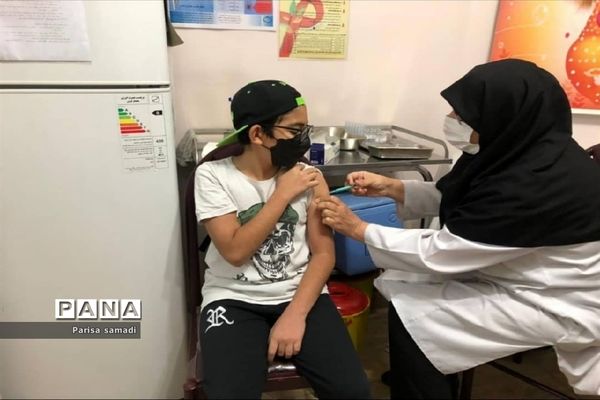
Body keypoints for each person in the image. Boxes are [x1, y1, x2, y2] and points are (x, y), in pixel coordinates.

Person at [316, 59, 600, 398]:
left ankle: (423, 382)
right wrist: (392, 187)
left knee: (415, 319)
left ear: (502, 116)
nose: (452, 120)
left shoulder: (536, 184)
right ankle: (422, 372)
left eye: (463, 116)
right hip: (515, 269)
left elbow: (443, 252)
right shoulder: (518, 151)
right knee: (405, 283)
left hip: (555, 298)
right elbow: (460, 197)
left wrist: (358, 228)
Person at [194, 80, 370, 399]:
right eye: (294, 130)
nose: (304, 139)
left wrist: (295, 314)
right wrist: (282, 194)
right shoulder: (213, 175)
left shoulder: (310, 177)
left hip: (299, 293)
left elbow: (324, 255)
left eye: (306, 128)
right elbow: (235, 251)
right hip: (233, 296)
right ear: (258, 134)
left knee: (352, 392)